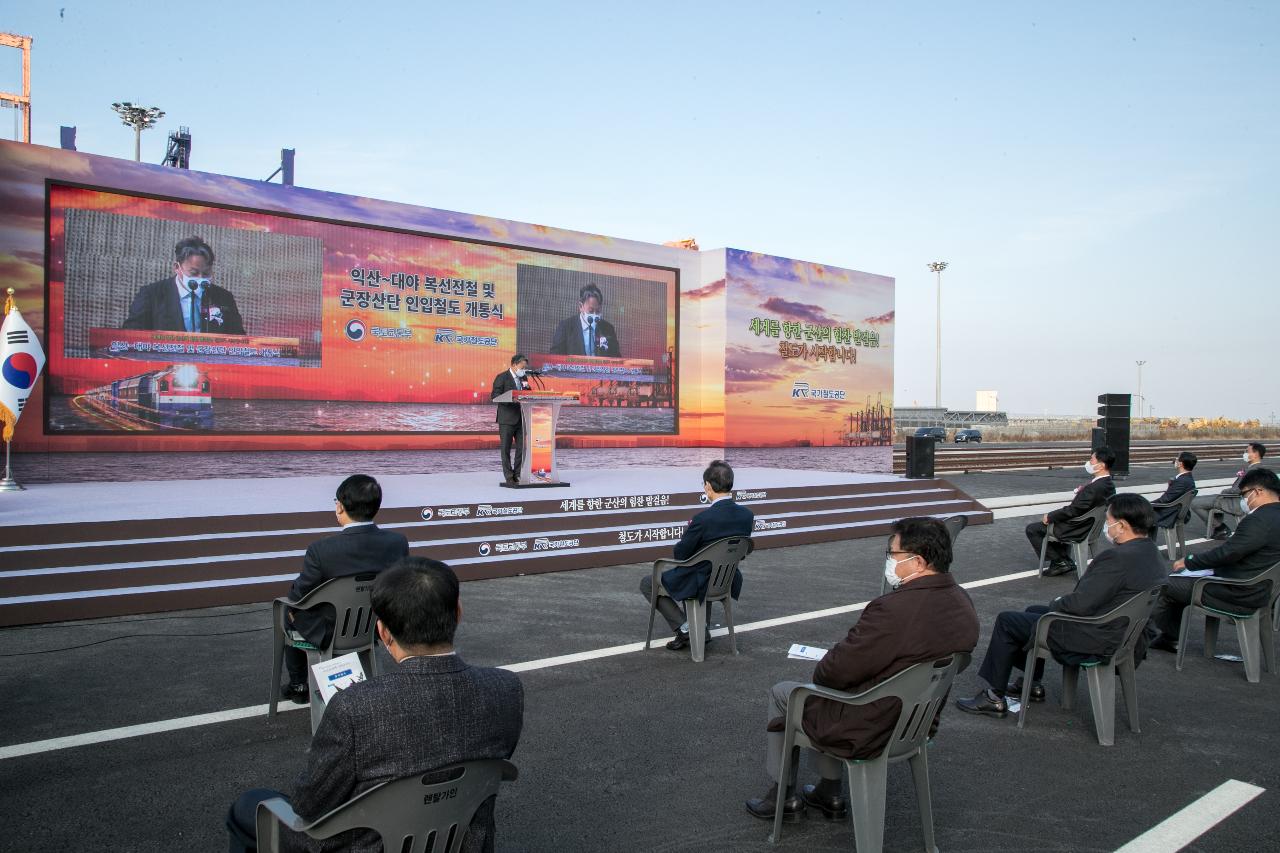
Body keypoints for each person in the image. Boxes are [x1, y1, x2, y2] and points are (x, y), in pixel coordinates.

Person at [229, 558, 524, 853]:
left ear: (383, 633)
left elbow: (309, 804)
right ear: (458, 613)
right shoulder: (507, 689)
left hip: (369, 844)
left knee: (249, 805)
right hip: (464, 841)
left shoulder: (355, 707)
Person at [745, 517, 978, 822]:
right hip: (917, 724)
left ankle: (782, 797)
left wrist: (838, 658)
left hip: (871, 724)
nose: (888, 561)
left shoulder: (893, 609)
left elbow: (830, 672)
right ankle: (829, 794)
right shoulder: (963, 602)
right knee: (831, 692)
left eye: (892, 555)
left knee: (786, 693)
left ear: (918, 562)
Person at [956, 494, 1168, 718]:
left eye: (1109, 520)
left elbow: (1079, 604)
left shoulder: (1116, 559)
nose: (1107, 526)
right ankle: (1032, 683)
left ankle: (993, 696)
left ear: (1123, 525)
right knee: (1032, 613)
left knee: (1008, 621)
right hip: (1121, 632)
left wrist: (1056, 602)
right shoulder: (1150, 552)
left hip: (1095, 634)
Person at [280, 474, 409, 703]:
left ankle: (299, 684)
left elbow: (298, 595)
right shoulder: (397, 543)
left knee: (285, 610)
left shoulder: (321, 550)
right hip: (373, 626)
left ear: (340, 506)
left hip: (329, 632)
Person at [1148, 467, 1280, 653]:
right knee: (1179, 582)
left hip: (1238, 591)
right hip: (1260, 588)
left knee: (1166, 583)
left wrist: (1191, 561)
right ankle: (1170, 636)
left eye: (1244, 494)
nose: (1243, 500)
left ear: (1258, 491)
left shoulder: (1259, 519)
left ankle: (1163, 637)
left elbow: (1229, 552)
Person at [640, 460, 753, 650]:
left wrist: (690, 532)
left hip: (700, 580)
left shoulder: (702, 519)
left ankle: (687, 629)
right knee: (699, 568)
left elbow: (680, 554)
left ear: (708, 486)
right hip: (726, 579)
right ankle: (698, 628)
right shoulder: (747, 515)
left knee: (647, 583)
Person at [123, 236, 246, 335]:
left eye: (206, 273)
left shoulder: (224, 298)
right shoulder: (152, 294)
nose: (200, 278)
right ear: (177, 268)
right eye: (194, 273)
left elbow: (238, 337)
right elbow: (132, 334)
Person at [1025, 447, 1117, 576]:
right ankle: (1063, 561)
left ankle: (1060, 561)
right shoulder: (1109, 485)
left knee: (1033, 529)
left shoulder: (1094, 488)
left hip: (1079, 528)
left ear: (1101, 465)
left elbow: (1073, 511)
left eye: (1092, 460)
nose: (1089, 463)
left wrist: (1050, 516)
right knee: (1058, 521)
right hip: (1090, 527)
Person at [1191, 442, 1267, 539]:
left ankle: (1220, 528)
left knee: (1195, 503)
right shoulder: (1258, 468)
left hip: (1235, 501)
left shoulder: (1253, 470)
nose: (1245, 454)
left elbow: (1238, 490)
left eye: (1247, 451)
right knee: (1208, 501)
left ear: (1256, 454)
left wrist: (1224, 491)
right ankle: (1217, 528)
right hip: (1239, 500)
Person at [549, 283, 622, 357]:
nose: (594, 314)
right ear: (581, 307)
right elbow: (555, 357)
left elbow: (616, 358)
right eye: (591, 311)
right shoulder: (566, 327)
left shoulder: (608, 329)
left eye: (597, 311)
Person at [490, 354, 531, 484]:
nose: (523, 370)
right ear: (514, 364)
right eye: (522, 367)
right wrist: (511, 399)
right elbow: (495, 395)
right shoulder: (502, 377)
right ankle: (509, 476)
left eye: (525, 367)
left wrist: (529, 392)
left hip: (521, 418)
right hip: (507, 419)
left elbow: (527, 393)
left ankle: (518, 474)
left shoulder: (524, 378)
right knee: (505, 449)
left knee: (521, 448)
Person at [1151, 451, 1198, 530]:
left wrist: (1146, 504)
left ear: (1181, 464)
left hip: (1169, 513)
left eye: (1177, 459)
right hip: (1175, 511)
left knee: (1135, 514)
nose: (1175, 461)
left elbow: (1164, 500)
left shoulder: (1181, 481)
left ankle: (1140, 540)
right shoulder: (1187, 478)